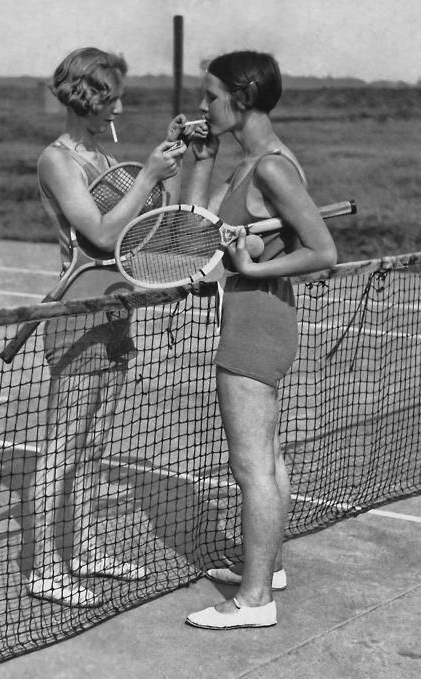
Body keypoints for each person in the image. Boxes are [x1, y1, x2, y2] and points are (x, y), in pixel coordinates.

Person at [182, 50, 338, 629]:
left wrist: (248, 269)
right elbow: (195, 227)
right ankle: (267, 568)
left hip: (256, 320)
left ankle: (253, 601)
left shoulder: (272, 166)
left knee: (251, 467)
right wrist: (203, 159)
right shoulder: (252, 161)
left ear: (240, 99)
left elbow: (322, 253)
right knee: (267, 459)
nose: (203, 105)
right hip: (260, 315)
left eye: (211, 95)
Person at [27, 47, 186, 607]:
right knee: (62, 448)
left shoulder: (97, 153)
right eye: (112, 95)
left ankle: (88, 548)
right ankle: (45, 567)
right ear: (88, 98)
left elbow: (145, 227)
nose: (120, 104)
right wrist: (146, 173)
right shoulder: (58, 159)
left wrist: (167, 165)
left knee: (93, 445)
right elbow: (97, 233)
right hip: (77, 317)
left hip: (118, 311)